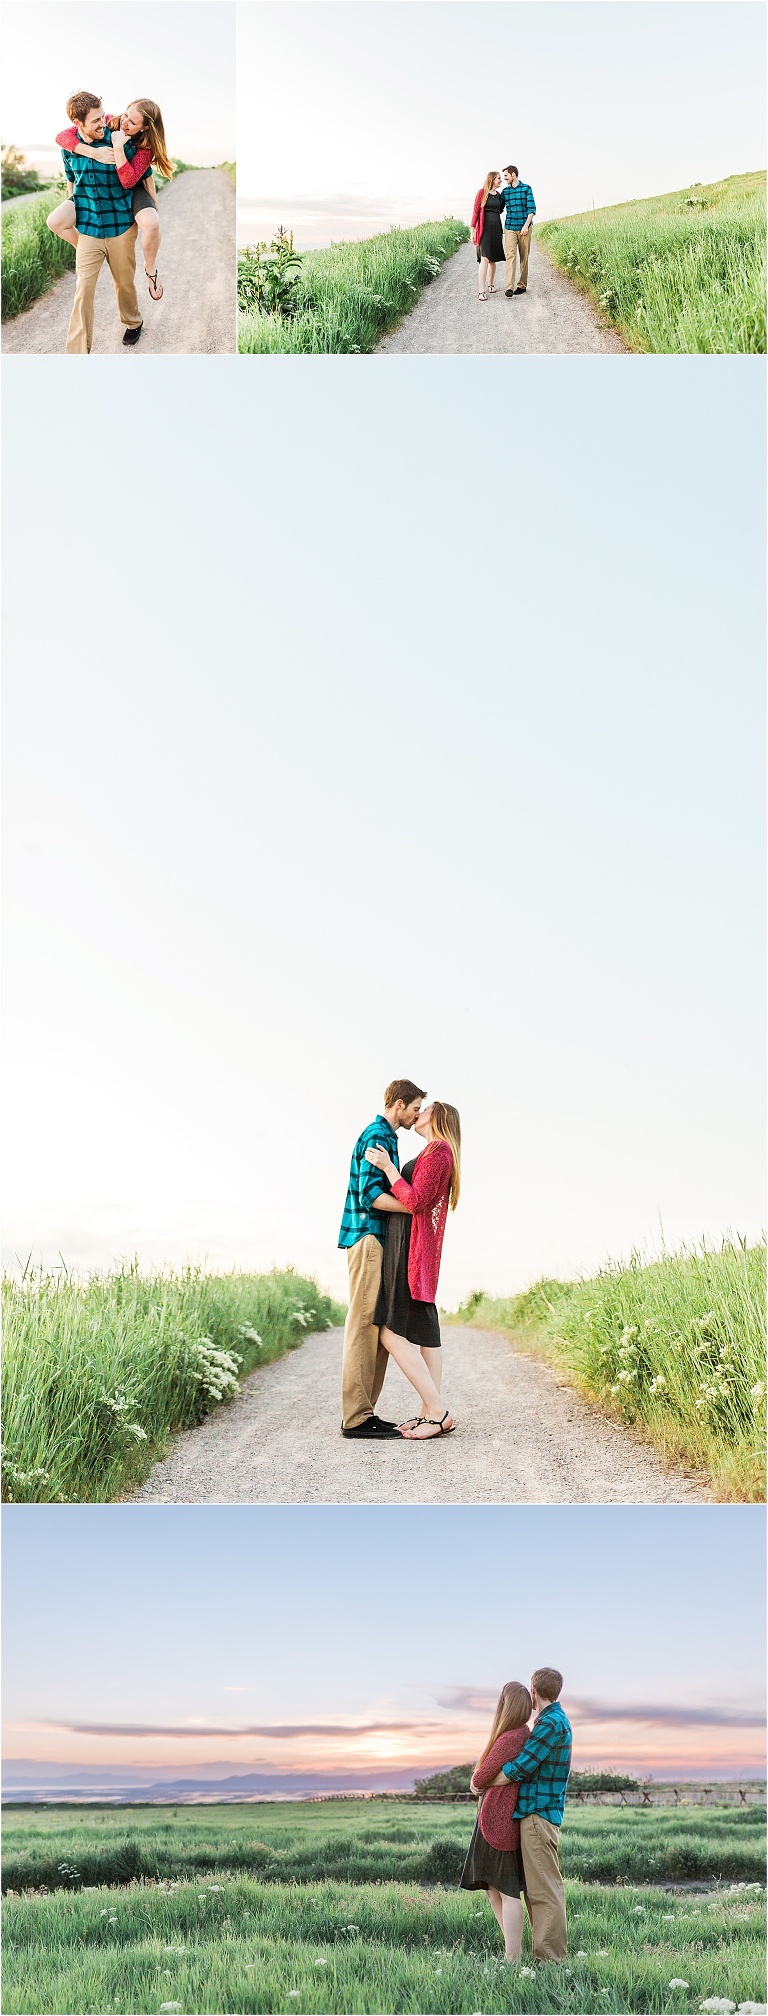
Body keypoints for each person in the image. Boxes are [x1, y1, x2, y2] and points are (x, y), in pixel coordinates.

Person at [364, 1100, 461, 1440]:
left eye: (425, 1109)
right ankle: (428, 1412)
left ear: (440, 1117)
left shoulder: (438, 1152)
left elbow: (416, 1201)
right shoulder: (436, 1151)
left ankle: (437, 1411)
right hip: (414, 1245)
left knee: (390, 1331)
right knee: (425, 1330)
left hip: (410, 1248)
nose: (417, 1114)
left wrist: (390, 1169)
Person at [338, 1080, 425, 1439]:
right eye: (416, 1109)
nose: (418, 1115)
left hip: (377, 1241)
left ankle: (364, 1413)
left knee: (375, 1326)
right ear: (400, 1104)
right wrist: (413, 1206)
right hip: (369, 1237)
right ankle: (357, 1418)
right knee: (363, 1326)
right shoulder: (379, 1134)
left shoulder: (387, 1136)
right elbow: (369, 1195)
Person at [47, 92, 143, 352]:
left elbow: (143, 173)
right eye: (96, 120)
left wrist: (150, 209)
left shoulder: (118, 140)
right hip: (88, 228)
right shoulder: (69, 149)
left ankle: (133, 322)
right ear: (77, 123)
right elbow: (71, 177)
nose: (104, 123)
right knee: (83, 290)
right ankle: (77, 355)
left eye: (103, 116)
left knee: (124, 283)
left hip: (121, 226)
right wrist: (73, 203)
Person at [51, 99, 173, 302]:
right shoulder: (112, 121)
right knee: (56, 221)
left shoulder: (146, 146)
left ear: (145, 127)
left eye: (133, 122)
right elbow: (63, 136)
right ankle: (85, 247)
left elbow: (131, 180)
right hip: (114, 182)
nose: (125, 123)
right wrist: (91, 152)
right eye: (126, 115)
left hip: (133, 184)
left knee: (152, 224)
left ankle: (150, 270)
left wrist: (117, 147)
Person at [489, 1666, 572, 1960]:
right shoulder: (551, 1720)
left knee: (543, 1892)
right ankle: (546, 1955)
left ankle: (550, 1961)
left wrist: (484, 1781)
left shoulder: (549, 1723)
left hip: (537, 1815)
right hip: (539, 1814)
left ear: (534, 1691)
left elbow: (520, 1768)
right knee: (539, 1890)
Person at [460, 1681, 533, 1964]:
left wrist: (476, 1779)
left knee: (506, 1890)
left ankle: (513, 1958)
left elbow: (480, 1779)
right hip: (494, 1820)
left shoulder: (511, 1737)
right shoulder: (519, 1735)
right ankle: (512, 1952)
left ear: (506, 1706)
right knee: (493, 1891)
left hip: (498, 1823)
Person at [501, 165, 537, 297]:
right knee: (510, 256)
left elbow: (532, 209)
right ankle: (509, 287)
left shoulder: (527, 188)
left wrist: (526, 226)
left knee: (524, 257)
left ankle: (521, 285)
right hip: (510, 227)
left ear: (513, 175)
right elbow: (498, 208)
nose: (504, 179)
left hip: (524, 228)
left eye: (506, 176)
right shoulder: (505, 192)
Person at [471, 171, 505, 301]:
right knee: (485, 258)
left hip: (496, 228)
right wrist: (472, 230)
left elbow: (501, 209)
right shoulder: (482, 192)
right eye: (498, 178)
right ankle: (481, 291)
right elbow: (475, 212)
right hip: (484, 230)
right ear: (492, 179)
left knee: (493, 259)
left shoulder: (498, 195)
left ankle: (491, 285)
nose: (500, 180)